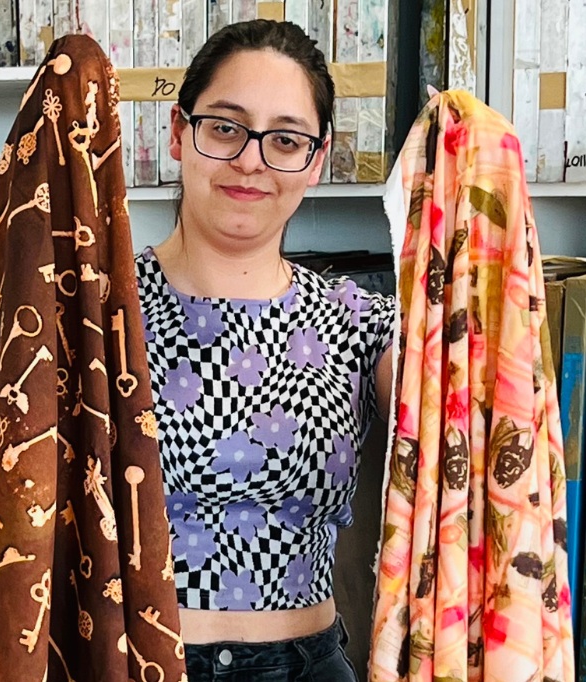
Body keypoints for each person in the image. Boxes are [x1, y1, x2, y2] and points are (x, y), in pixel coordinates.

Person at [135, 19, 396, 681]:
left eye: (285, 139)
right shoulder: (98, 312)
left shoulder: (362, 323)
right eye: (225, 127)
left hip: (308, 666)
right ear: (178, 132)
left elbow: (472, 422)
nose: (251, 160)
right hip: (133, 664)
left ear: (315, 158)